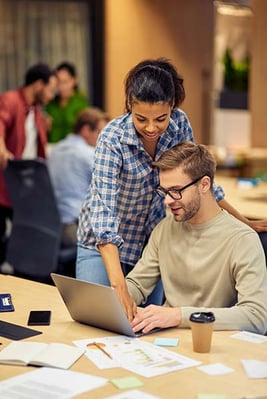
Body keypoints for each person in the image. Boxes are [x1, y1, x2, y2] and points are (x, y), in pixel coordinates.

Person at [77, 58, 267, 321]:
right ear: (130, 105)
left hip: (149, 240)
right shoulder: (112, 138)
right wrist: (118, 287)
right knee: (98, 319)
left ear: (172, 108)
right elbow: (103, 212)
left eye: (161, 118)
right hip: (103, 243)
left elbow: (200, 176)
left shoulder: (179, 125)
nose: (151, 128)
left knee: (148, 322)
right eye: (141, 118)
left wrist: (244, 222)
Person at [126, 142, 267, 335]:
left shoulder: (242, 239)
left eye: (176, 190)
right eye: (164, 192)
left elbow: (256, 317)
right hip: (167, 341)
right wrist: (113, 299)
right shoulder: (165, 229)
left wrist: (179, 316)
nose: (167, 200)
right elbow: (137, 284)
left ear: (204, 184)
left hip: (213, 343)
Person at [0, 63, 57, 265]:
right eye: (51, 89)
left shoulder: (35, 110)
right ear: (38, 85)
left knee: (22, 236)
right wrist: (3, 150)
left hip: (24, 185)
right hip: (6, 182)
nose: (52, 95)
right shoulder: (10, 100)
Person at [48, 107, 109, 247]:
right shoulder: (89, 154)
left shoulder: (55, 150)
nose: (102, 139)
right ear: (86, 130)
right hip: (76, 228)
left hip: (51, 226)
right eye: (100, 132)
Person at [45, 61, 89, 143]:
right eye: (58, 83)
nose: (61, 87)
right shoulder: (50, 104)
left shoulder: (81, 104)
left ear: (74, 80)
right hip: (52, 149)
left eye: (65, 82)